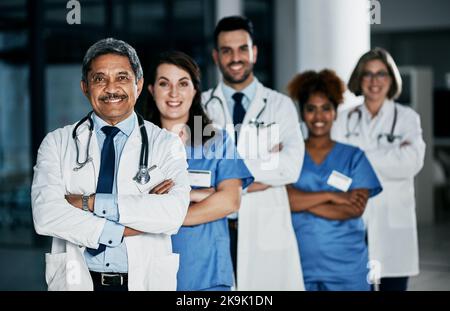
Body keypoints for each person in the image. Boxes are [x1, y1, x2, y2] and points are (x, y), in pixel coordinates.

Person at [31, 38, 191, 291]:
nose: (111, 88)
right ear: (85, 87)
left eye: (122, 78)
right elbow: (46, 216)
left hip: (144, 281)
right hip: (78, 280)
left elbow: (172, 215)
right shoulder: (57, 143)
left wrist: (88, 203)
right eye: (99, 79)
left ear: (138, 85)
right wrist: (127, 226)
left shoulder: (166, 144)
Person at [202, 15, 305, 290]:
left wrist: (225, 180)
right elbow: (196, 173)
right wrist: (263, 169)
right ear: (216, 56)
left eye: (242, 49)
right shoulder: (199, 108)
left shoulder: (280, 106)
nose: (236, 58)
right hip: (214, 226)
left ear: (254, 52)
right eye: (226, 50)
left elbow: (291, 167)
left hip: (264, 228)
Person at [146, 51, 254, 291]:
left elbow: (229, 201)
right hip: (152, 274)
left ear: (195, 91)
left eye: (183, 84)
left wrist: (164, 214)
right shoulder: (139, 144)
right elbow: (132, 205)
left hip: (209, 276)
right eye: (165, 84)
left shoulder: (217, 141)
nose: (174, 93)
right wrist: (198, 195)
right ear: (152, 90)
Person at [332, 48, 426, 291]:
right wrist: (389, 156)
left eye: (381, 74)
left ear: (391, 79)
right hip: (352, 221)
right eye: (368, 74)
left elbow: (411, 162)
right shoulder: (342, 119)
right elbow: (334, 172)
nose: (374, 81)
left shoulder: (407, 118)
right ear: (359, 79)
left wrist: (357, 160)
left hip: (391, 223)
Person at [287, 69, 382, 291]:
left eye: (326, 109)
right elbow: (285, 200)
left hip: (347, 267)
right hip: (300, 264)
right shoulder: (290, 154)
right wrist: (332, 196)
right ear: (302, 113)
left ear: (335, 112)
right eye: (311, 109)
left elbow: (354, 208)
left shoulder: (354, 156)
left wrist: (302, 202)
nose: (318, 117)